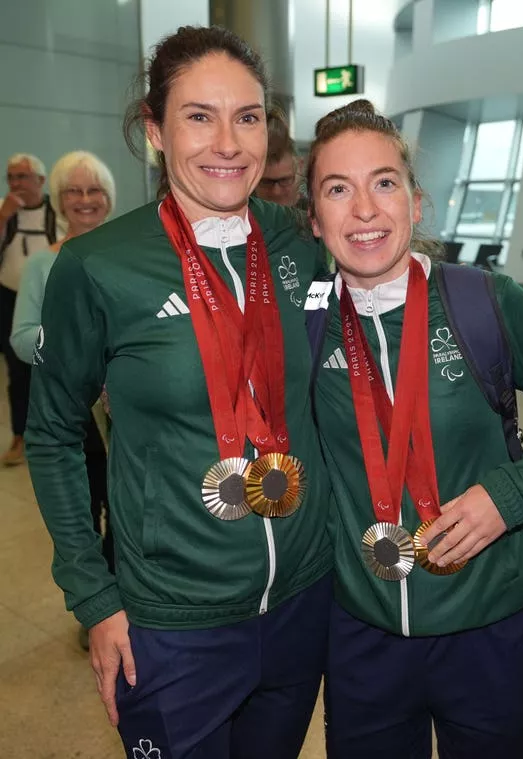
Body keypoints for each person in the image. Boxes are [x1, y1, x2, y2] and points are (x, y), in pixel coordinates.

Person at [25, 25, 332, 759]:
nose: (228, 142)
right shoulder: (99, 266)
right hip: (174, 623)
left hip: (304, 602)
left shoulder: (301, 241)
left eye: (247, 116)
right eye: (199, 115)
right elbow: (54, 432)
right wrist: (95, 597)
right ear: (155, 130)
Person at [306, 100, 523, 759]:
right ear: (313, 216)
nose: (364, 209)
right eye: (338, 188)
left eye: (383, 182)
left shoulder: (483, 299)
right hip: (364, 636)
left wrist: (510, 495)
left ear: (416, 202)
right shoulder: (305, 326)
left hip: (493, 626)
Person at [11, 150, 117, 651]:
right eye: (73, 192)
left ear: (109, 198)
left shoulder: (128, 258)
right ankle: (98, 607)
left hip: (128, 415)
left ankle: (132, 597)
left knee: (128, 508)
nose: (84, 200)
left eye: (93, 190)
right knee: (87, 504)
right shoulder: (41, 265)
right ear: (59, 200)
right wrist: (79, 360)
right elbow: (22, 337)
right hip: (73, 417)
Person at [0, 153, 64, 465]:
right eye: (11, 177)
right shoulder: (3, 209)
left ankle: (56, 433)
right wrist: (3, 216)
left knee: (53, 368)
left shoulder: (59, 211)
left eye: (22, 177)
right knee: (17, 371)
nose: (15, 184)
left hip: (54, 300)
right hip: (9, 300)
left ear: (40, 181)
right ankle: (19, 437)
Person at [254, 107, 302, 207]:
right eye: (266, 182)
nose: (276, 192)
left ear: (300, 169)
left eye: (285, 180)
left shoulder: (316, 214)